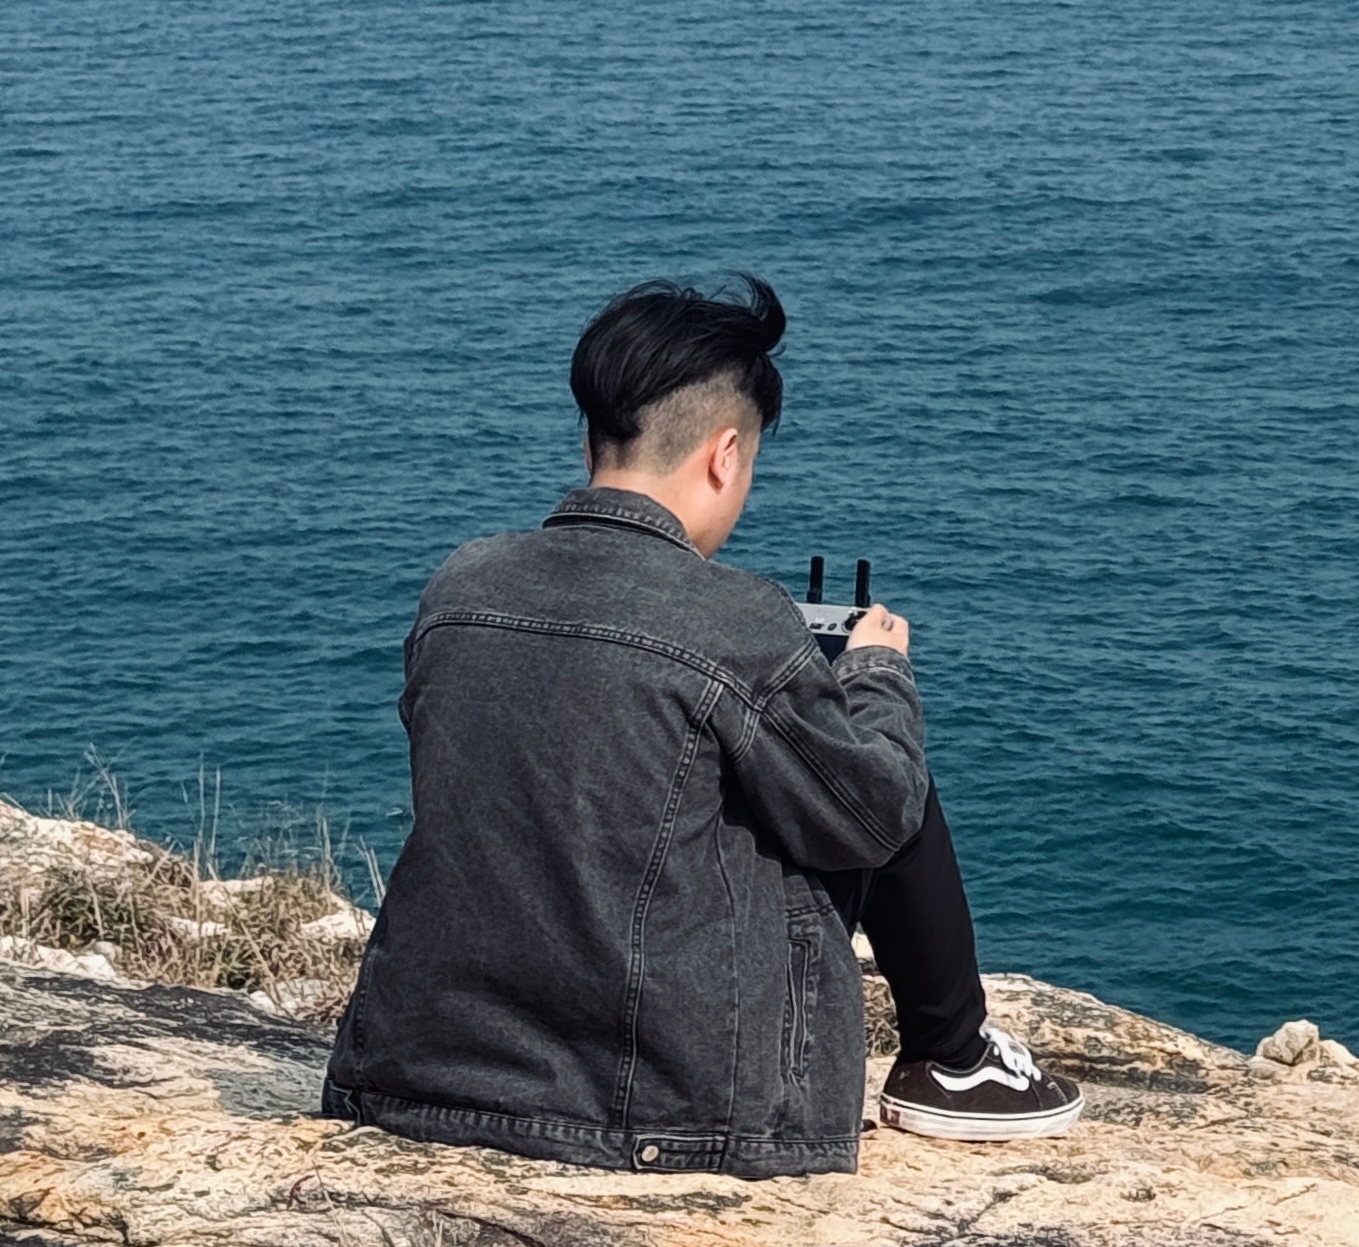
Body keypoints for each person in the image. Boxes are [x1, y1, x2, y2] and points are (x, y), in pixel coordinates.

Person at [322, 275, 1082, 1170]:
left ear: (592, 436)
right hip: (665, 1106)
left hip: (417, 1073)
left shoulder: (461, 584)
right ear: (725, 454)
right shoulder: (738, 618)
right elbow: (876, 815)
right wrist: (876, 672)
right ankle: (953, 1065)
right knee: (877, 764)